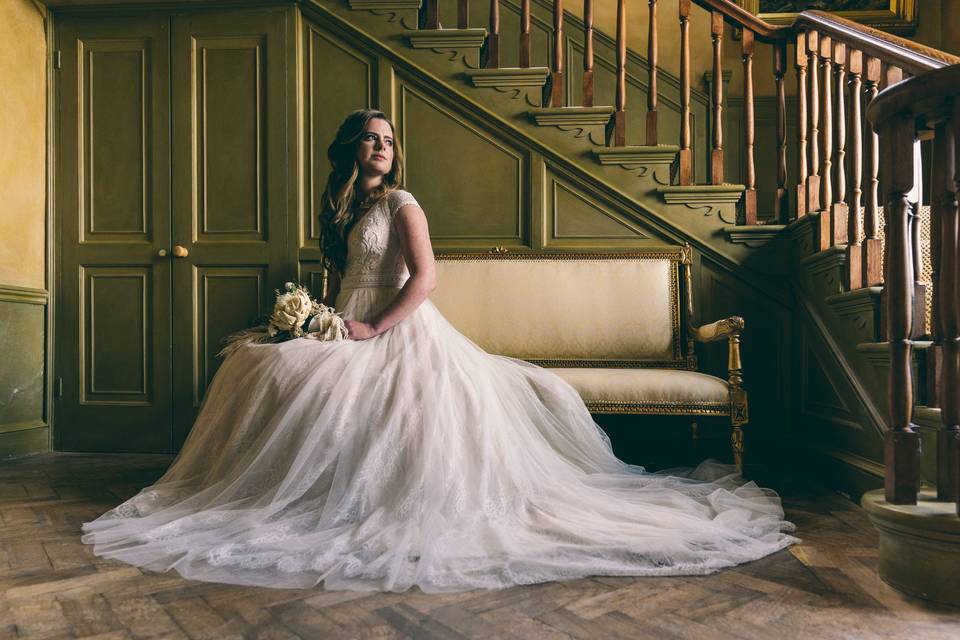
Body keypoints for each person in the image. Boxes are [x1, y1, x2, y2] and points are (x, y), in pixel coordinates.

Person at [81, 109, 798, 593]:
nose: (382, 148)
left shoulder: (401, 203)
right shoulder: (341, 210)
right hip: (348, 323)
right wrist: (315, 322)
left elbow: (425, 279)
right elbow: (343, 281)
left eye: (389, 140)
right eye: (371, 138)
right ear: (348, 149)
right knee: (259, 361)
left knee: (345, 387)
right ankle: (274, 489)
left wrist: (371, 329)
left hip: (397, 330)